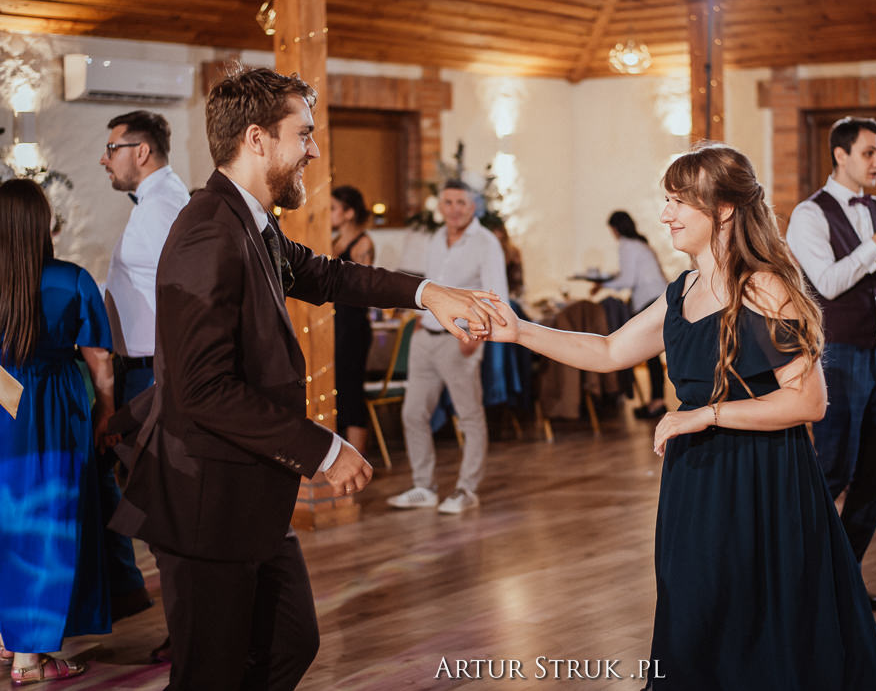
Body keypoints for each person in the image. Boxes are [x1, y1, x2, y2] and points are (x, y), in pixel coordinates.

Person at [107, 67, 505, 691]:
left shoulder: (251, 219)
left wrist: (430, 293)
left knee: (289, 643)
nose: (314, 151)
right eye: (305, 134)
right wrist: (323, 448)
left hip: (248, 493)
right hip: (206, 498)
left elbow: (329, 275)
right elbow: (202, 389)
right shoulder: (208, 228)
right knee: (213, 673)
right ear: (257, 138)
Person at [483, 144, 876, 689]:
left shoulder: (764, 286)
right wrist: (520, 331)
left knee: (757, 620)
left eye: (679, 201)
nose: (665, 214)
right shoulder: (682, 291)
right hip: (696, 481)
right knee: (694, 608)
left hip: (762, 479)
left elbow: (807, 402)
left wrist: (706, 415)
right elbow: (608, 351)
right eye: (667, 200)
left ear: (723, 209)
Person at [786, 116, 876, 612]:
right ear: (841, 155)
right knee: (833, 470)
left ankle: (844, 580)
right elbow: (827, 283)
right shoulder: (808, 215)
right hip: (838, 354)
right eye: (869, 152)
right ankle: (798, 581)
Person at [0, 179, 115, 685]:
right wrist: (107, 410)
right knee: (48, 524)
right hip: (53, 411)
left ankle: (8, 638)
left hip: (3, 403)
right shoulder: (71, 280)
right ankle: (29, 659)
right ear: (43, 226)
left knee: (8, 521)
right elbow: (99, 359)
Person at [98, 109, 190, 624]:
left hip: (155, 371)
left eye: (112, 149)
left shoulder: (161, 209)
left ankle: (189, 634)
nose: (104, 159)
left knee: (164, 508)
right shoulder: (154, 203)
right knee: (155, 506)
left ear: (142, 151)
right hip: (141, 367)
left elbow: (183, 297)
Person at [387, 180, 509, 515]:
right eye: (448, 202)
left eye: (461, 203)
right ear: (440, 206)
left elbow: (496, 295)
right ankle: (423, 487)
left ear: (473, 207)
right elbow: (430, 287)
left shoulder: (485, 243)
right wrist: (417, 319)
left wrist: (475, 337)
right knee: (413, 413)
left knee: (469, 416)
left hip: (461, 340)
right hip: (425, 337)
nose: (454, 209)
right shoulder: (436, 238)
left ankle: (466, 489)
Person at [593, 210, 668, 419]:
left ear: (615, 229)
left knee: (650, 355)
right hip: (659, 296)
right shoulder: (640, 243)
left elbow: (627, 280)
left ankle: (657, 402)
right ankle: (656, 401)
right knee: (653, 355)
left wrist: (602, 284)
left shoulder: (626, 245)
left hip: (649, 299)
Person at [330, 184, 375, 455]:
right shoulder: (334, 242)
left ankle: (357, 459)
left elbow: (364, 289)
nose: (329, 213)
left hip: (353, 326)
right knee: (335, 389)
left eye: (333, 208)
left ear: (349, 213)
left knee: (351, 390)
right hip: (335, 324)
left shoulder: (363, 244)